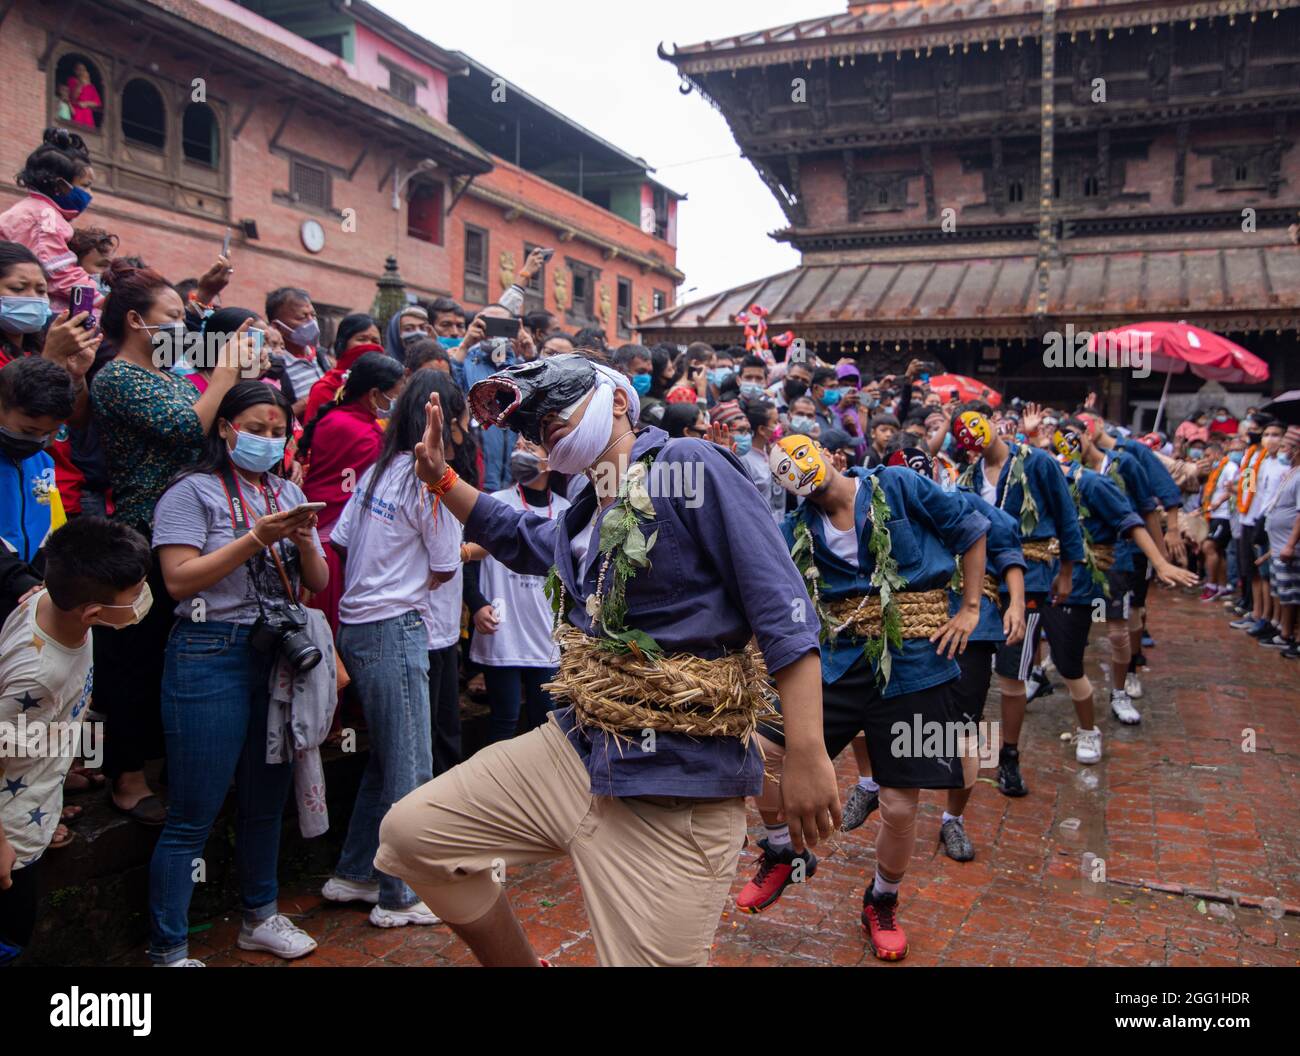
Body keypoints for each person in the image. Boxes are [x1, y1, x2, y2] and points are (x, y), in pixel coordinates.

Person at [374, 353, 840, 967]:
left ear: (618, 401)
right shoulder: (589, 503)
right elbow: (525, 540)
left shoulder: (686, 463)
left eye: (552, 413)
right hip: (577, 750)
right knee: (413, 837)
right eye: (534, 426)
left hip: (678, 784)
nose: (543, 431)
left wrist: (806, 750)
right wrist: (441, 478)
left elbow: (783, 606)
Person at [738, 434, 989, 961]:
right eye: (784, 466)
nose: (798, 467)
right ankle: (783, 851)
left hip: (915, 665)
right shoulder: (794, 531)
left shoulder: (897, 484)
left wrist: (970, 608)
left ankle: (882, 901)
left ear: (831, 454)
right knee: (761, 751)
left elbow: (970, 530)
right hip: (835, 664)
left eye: (803, 453)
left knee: (900, 805)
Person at [149, 382, 329, 965]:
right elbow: (178, 580)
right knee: (192, 813)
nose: (268, 440)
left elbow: (318, 584)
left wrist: (303, 542)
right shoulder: (191, 492)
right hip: (209, 649)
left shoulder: (286, 489)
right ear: (226, 427)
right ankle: (169, 949)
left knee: (264, 797)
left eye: (278, 431)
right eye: (256, 427)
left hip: (274, 652)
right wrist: (256, 537)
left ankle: (260, 915)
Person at [90, 260, 253, 824]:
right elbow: (188, 427)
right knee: (130, 658)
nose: (183, 327)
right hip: (141, 533)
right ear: (137, 321)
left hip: (185, 526)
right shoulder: (116, 377)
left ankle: (158, 759)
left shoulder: (165, 373)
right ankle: (125, 775)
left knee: (167, 653)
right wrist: (225, 373)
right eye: (174, 317)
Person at [322, 369, 458, 929]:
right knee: (412, 766)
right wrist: (405, 584)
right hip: (393, 626)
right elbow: (447, 565)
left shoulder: (381, 472)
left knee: (389, 758)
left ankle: (354, 871)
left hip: (357, 625)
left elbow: (343, 540)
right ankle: (399, 894)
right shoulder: (432, 480)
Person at [0, 517, 151, 966]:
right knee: (10, 941)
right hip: (12, 834)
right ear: (93, 612)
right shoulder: (40, 676)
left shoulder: (48, 601)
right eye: (135, 592)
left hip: (35, 804)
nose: (142, 598)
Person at [952, 403, 1084, 795]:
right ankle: (964, 754)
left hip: (1032, 577)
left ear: (994, 422)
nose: (976, 436)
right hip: (981, 582)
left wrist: (1066, 570)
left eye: (979, 425)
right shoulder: (968, 478)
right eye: (965, 433)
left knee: (1013, 673)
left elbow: (1066, 515)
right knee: (973, 669)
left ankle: (1009, 755)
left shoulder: (1037, 463)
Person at [1052, 420, 1197, 729]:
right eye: (1061, 442)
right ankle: (1061, 682)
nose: (1070, 445)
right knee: (1073, 636)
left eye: (1074, 437)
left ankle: (1120, 689)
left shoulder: (1122, 463)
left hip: (1118, 558)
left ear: (1089, 433)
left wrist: (1161, 559)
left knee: (1120, 628)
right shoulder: (1064, 476)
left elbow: (1141, 513)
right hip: (1076, 569)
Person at [469, 439, 570, 742]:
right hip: (502, 632)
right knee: (504, 721)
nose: (520, 452)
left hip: (546, 639)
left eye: (531, 448)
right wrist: (476, 604)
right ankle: (495, 788)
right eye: (518, 447)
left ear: (550, 463)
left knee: (546, 724)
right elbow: (468, 562)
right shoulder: (493, 503)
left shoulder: (567, 512)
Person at [297, 353, 405, 635]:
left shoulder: (335, 417)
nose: (396, 405)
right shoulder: (364, 435)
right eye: (395, 396)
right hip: (335, 546)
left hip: (322, 539)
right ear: (373, 395)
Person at [0, 128, 101, 314]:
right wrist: (104, 299)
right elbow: (59, 273)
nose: (89, 194)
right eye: (85, 186)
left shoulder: (36, 210)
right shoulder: (43, 217)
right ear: (61, 186)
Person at [302, 313, 382, 423]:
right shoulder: (326, 388)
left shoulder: (387, 385)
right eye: (361, 339)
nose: (369, 345)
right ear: (343, 344)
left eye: (375, 341)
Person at [265, 286, 323, 419]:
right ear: (277, 326)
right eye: (302, 317)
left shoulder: (320, 357)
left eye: (313, 315)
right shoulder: (272, 368)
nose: (312, 322)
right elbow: (271, 419)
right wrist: (310, 401)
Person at [1267, 426, 1300, 659]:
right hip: (1275, 543)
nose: (1282, 450)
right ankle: (1283, 631)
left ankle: (1292, 634)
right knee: (1282, 591)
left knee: (1293, 594)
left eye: (1287, 447)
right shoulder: (1288, 471)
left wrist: (1290, 543)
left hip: (1289, 546)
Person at [65, 63, 101, 129]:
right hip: (76, 111)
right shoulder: (72, 80)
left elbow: (97, 103)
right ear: (75, 71)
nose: (81, 71)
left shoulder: (91, 87)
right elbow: (73, 97)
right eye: (79, 69)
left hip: (87, 114)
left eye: (83, 70)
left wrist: (87, 103)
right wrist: (81, 84)